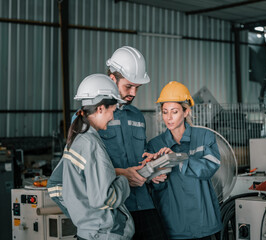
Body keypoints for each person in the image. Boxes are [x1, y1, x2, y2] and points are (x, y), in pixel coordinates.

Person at [47, 74, 134, 240]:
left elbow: (54, 185)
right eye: (112, 111)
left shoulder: (77, 139)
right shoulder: (91, 144)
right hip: (104, 235)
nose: (113, 117)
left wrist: (83, 217)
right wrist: (124, 179)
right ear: (100, 109)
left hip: (86, 234)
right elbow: (106, 198)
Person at [99, 46, 168, 239]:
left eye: (137, 87)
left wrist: (152, 169)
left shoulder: (137, 115)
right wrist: (121, 174)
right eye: (128, 86)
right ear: (112, 79)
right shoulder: (91, 116)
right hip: (113, 206)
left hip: (143, 202)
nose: (133, 93)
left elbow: (141, 154)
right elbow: (83, 169)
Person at [147, 81, 222, 240]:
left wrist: (176, 159)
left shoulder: (204, 136)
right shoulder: (155, 145)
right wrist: (153, 177)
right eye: (165, 112)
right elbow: (149, 181)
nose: (168, 117)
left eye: (174, 111)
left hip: (203, 221)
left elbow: (210, 167)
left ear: (186, 111)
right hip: (173, 221)